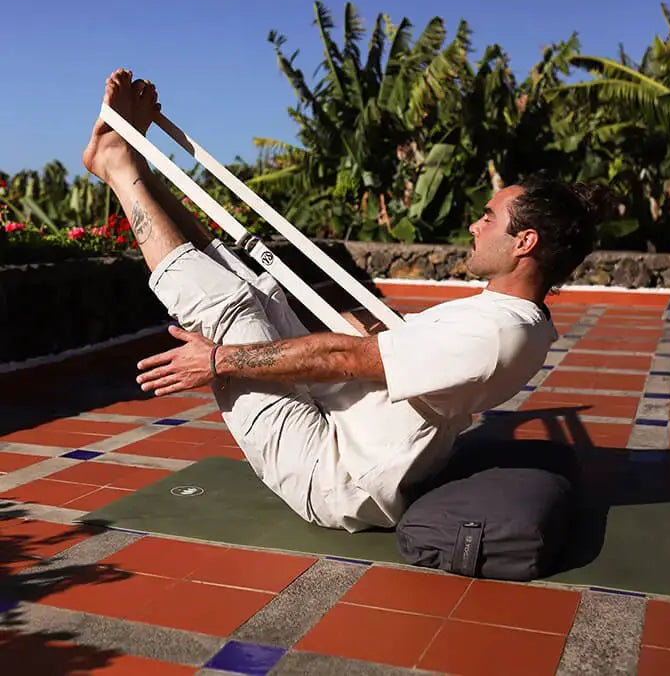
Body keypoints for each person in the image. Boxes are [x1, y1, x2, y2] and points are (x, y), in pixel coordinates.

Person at [83, 69, 608, 533]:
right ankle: (136, 165)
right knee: (257, 290)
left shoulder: (501, 332)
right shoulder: (503, 315)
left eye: (488, 218)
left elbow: (348, 357)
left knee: (228, 307)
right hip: (343, 421)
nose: (474, 225)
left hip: (332, 472)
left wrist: (216, 360)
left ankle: (118, 167)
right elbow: (382, 342)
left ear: (524, 242)